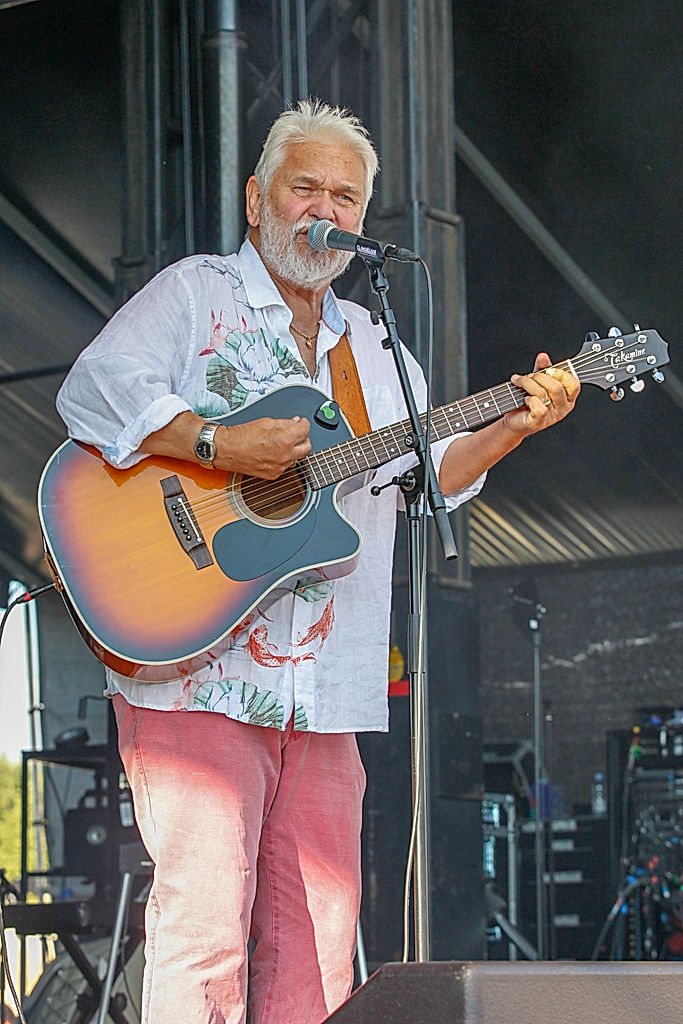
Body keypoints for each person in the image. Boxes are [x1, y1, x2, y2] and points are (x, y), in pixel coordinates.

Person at [56, 99, 579, 1024]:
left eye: (345, 197)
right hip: (196, 671)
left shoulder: (372, 347)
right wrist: (220, 448)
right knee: (206, 934)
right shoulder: (196, 292)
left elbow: (429, 473)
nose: (324, 210)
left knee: (321, 940)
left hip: (326, 690)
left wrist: (508, 429)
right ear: (257, 198)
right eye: (306, 187)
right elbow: (97, 389)